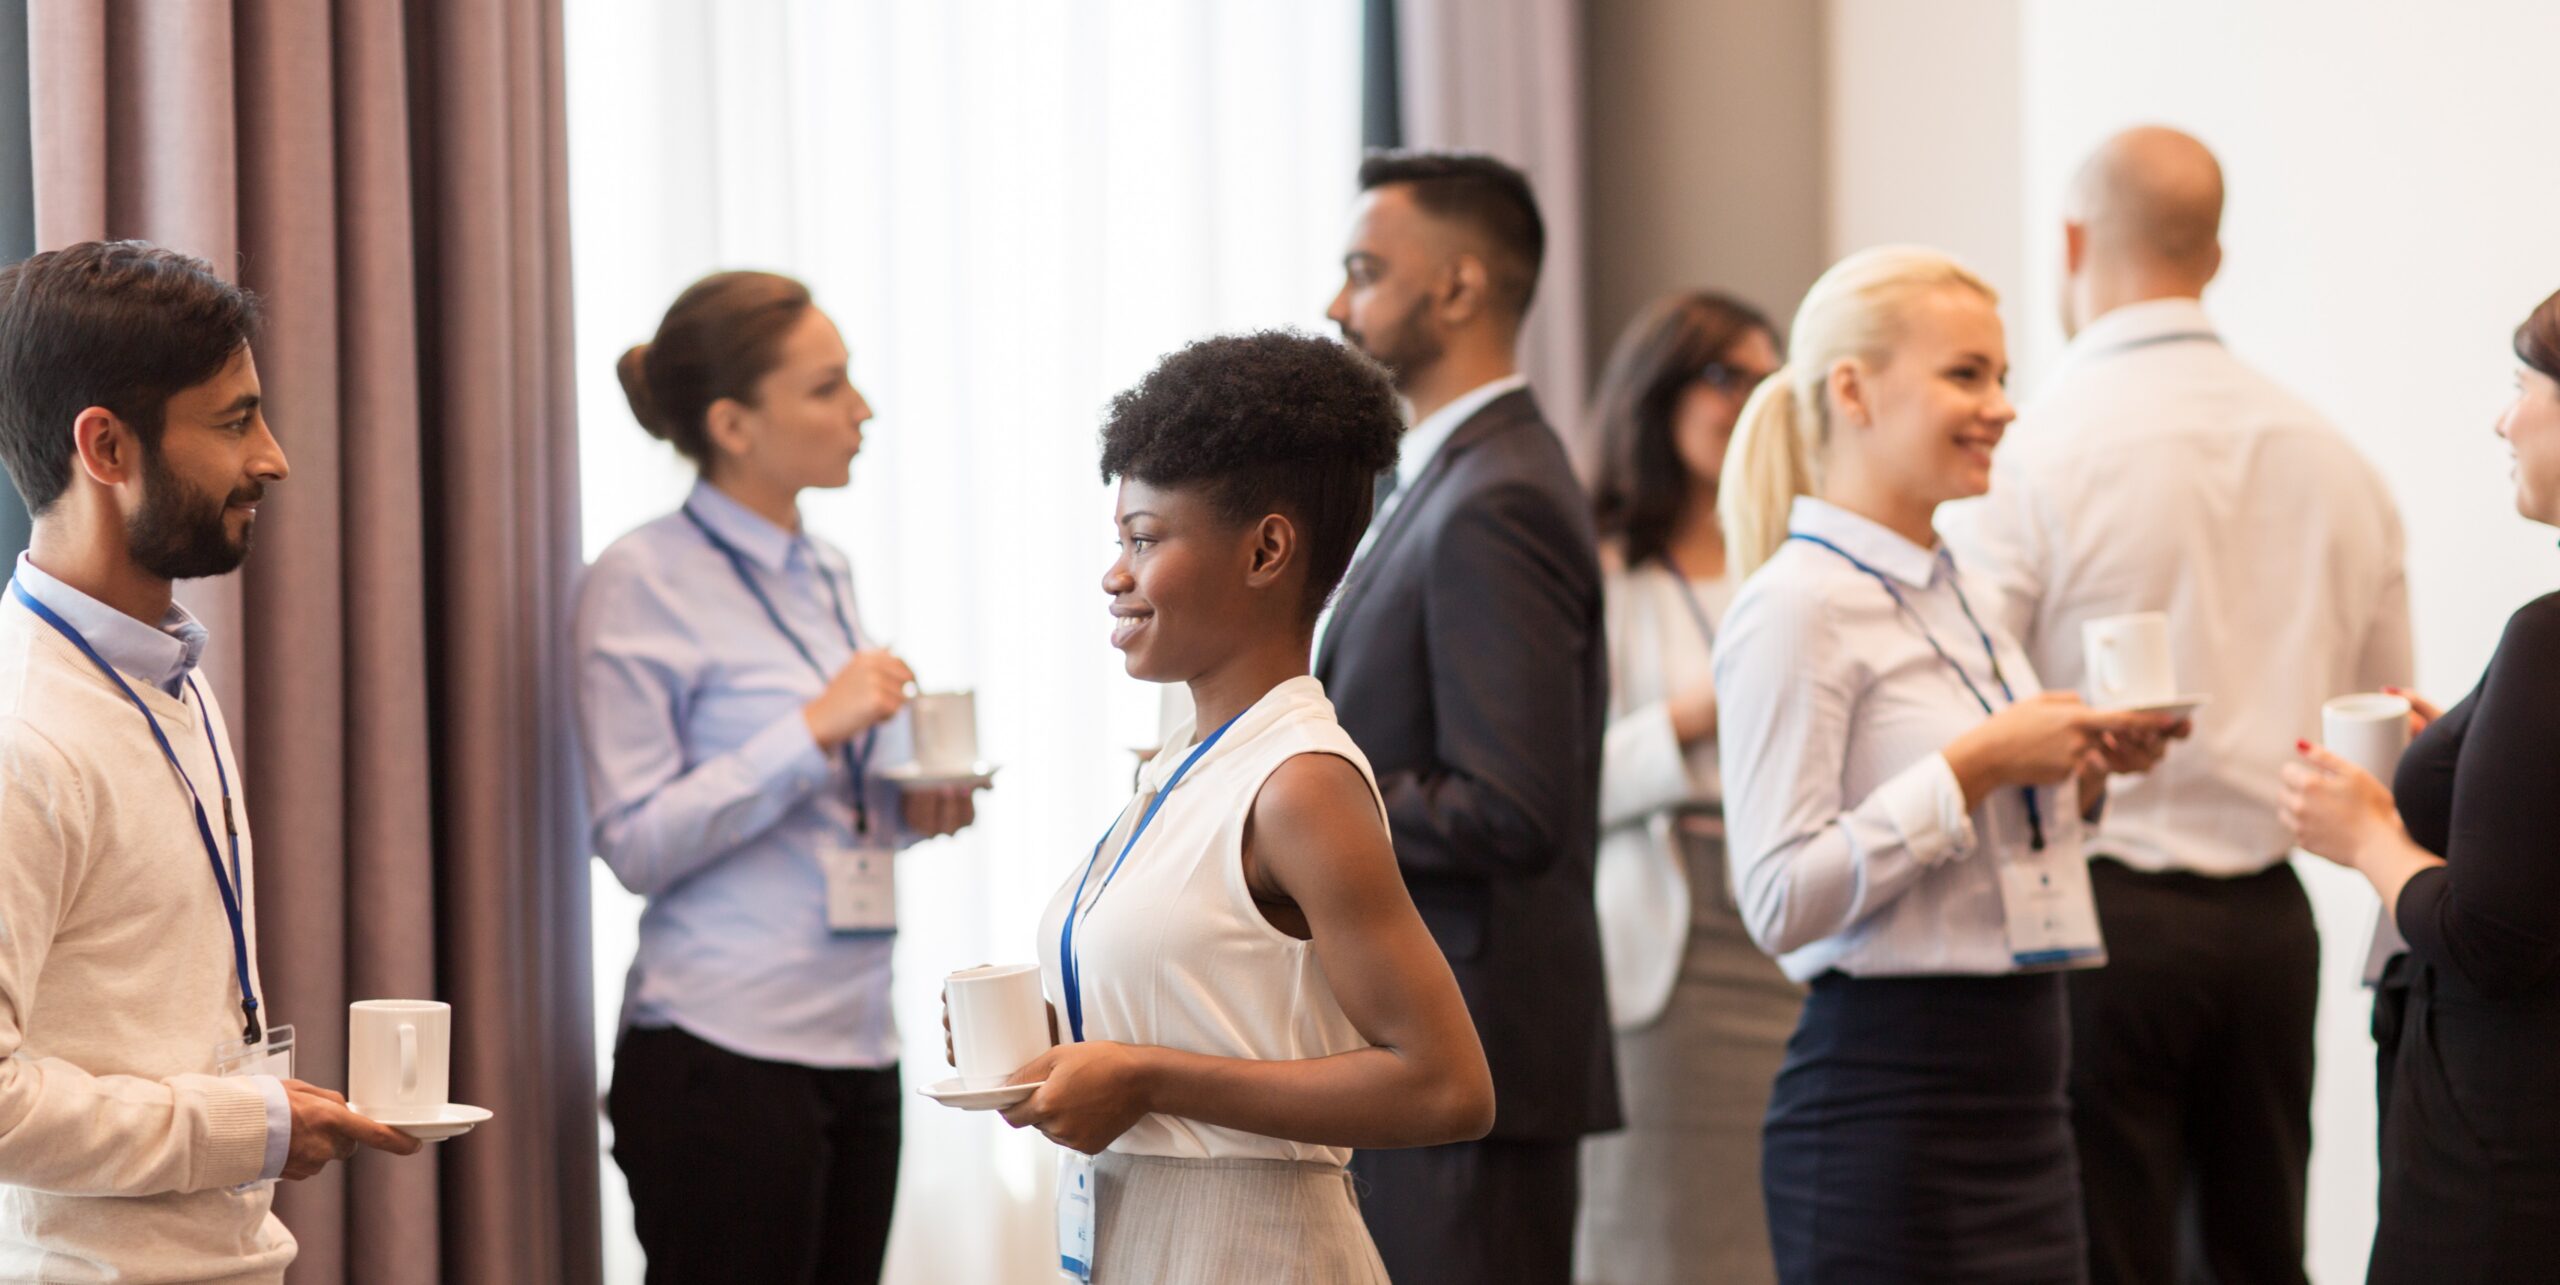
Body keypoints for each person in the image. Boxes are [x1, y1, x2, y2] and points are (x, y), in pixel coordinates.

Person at [1952, 126, 2410, 1285]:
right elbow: (2385, 716)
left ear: (2068, 243)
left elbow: (1962, 687)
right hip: (2269, 926)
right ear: (2213, 255)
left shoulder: (2027, 454)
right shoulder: (2336, 460)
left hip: (2094, 917)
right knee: (2261, 1255)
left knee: (2105, 1255)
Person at [1714, 245, 2184, 1283]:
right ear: (1852, 390)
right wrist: (1973, 767)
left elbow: (1987, 837)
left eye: (2002, 375)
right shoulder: (1797, 606)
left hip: (2025, 1090)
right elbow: (1778, 896)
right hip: (1888, 1104)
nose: (2004, 407)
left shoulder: (1957, 584)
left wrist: (2079, 772)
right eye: (1966, 374)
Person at [993, 330, 1493, 1283]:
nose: (1115, 573)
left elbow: (1447, 1085)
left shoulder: (1300, 781)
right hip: (1139, 1236)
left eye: (1144, 538)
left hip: (1251, 1248)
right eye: (1119, 542)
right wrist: (1060, 1055)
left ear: (1267, 549)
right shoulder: (1184, 764)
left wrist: (1148, 1076)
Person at [0, 240, 421, 1281]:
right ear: (105, 447)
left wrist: (261, 1115)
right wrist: (248, 1125)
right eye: (235, 421)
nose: (273, 457)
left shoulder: (167, 672)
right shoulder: (23, 737)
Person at [574, 271, 979, 1285]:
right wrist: (813, 726)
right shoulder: (640, 578)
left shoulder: (826, 568)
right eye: (827, 387)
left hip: (857, 1035)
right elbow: (633, 841)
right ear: (732, 423)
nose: (862, 410)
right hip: (722, 1050)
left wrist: (909, 803)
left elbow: (823, 796)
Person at [1317, 149, 1617, 1284]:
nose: (1337, 304)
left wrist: (1294, 809)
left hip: (1472, 1039)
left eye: (1362, 270)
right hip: (1437, 1031)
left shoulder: (1498, 498)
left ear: (1457, 287)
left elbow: (1512, 804)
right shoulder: (1448, 480)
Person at [2278, 285, 2560, 1284]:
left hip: (2505, 1153)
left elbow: (2496, 937)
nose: (2502, 416)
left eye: (2524, 384)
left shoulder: (2548, 634)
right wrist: (2482, 752)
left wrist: (2365, 838)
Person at [1577, 290, 1800, 1285]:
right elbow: (1562, 785)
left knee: (1788, 1235)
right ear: (1659, 395)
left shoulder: (1800, 566)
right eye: (1725, 375)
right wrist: (1693, 716)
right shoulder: (1602, 571)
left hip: (1797, 926)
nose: (1751, 399)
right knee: (1657, 1239)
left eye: (1768, 375)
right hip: (1670, 943)